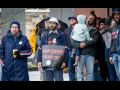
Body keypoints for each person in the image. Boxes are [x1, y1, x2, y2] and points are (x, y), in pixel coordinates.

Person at [71, 10, 99, 81]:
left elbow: (94, 41)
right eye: (90, 18)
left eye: (93, 19)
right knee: (79, 71)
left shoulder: (95, 31)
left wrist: (84, 44)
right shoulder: (78, 27)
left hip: (90, 54)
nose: (91, 20)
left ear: (94, 21)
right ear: (86, 19)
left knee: (90, 72)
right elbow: (72, 39)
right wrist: (78, 45)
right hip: (80, 53)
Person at [101, 16, 117, 81]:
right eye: (112, 24)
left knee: (117, 73)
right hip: (108, 53)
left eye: (114, 24)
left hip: (115, 54)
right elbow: (108, 44)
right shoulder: (106, 31)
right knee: (111, 73)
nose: (113, 25)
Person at [64, 15, 78, 81]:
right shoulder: (66, 30)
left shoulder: (80, 28)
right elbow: (64, 41)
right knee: (71, 69)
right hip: (70, 51)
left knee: (79, 69)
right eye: (70, 19)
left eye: (73, 19)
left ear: (77, 20)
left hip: (78, 50)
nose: (71, 20)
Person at [109, 8, 120, 81]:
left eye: (118, 14)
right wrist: (110, 55)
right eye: (114, 15)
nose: (116, 16)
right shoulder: (113, 28)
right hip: (114, 55)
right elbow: (111, 42)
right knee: (118, 75)